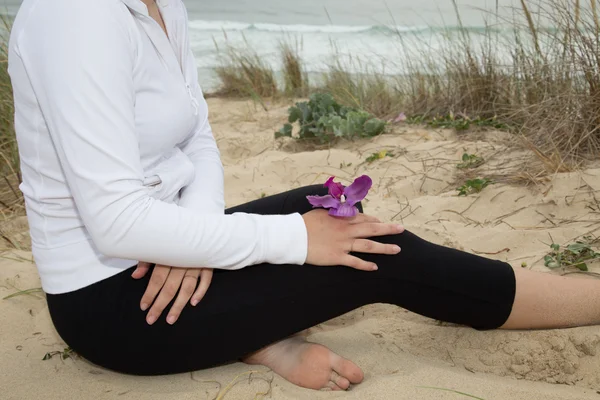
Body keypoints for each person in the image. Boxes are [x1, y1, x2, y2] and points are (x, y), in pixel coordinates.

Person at [8, 0, 600, 392]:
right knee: (379, 256)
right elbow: (114, 222)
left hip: (161, 254)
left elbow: (198, 139)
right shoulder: (76, 14)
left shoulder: (161, 4)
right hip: (113, 301)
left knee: (328, 204)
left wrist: (194, 242)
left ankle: (255, 338)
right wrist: (293, 241)